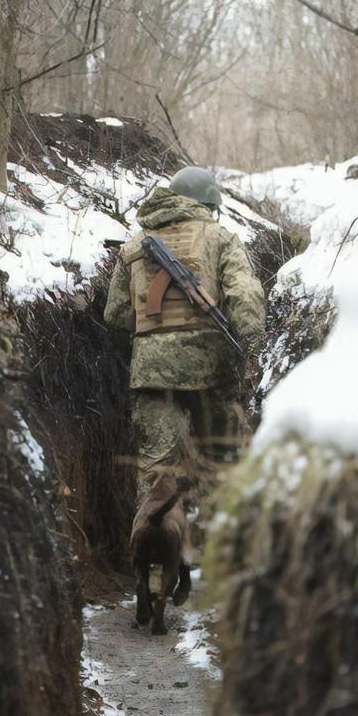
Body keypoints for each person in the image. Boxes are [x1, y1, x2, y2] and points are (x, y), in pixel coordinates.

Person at [103, 166, 266, 531]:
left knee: (158, 472)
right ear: (208, 204)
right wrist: (252, 343)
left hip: (151, 372)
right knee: (221, 461)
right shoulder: (220, 237)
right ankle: (219, 551)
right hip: (212, 369)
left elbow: (115, 314)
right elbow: (245, 293)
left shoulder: (134, 244)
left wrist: (155, 334)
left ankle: (153, 558)